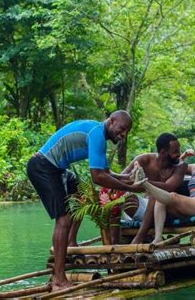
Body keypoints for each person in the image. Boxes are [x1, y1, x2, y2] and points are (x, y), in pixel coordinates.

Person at [26, 110, 143, 292]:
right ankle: (58, 279)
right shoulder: (96, 134)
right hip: (43, 166)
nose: (124, 134)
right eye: (122, 128)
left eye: (127, 131)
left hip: (58, 169)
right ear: (111, 121)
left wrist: (128, 179)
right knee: (63, 220)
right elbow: (98, 177)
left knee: (81, 197)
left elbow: (107, 172)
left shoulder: (99, 135)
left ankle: (71, 242)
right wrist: (131, 188)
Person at [134, 134, 195, 243]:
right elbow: (176, 165)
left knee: (173, 196)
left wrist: (194, 199)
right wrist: (184, 156)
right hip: (190, 206)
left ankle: (145, 183)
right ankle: (158, 238)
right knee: (160, 200)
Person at [109, 133, 187, 244]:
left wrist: (143, 181)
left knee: (156, 194)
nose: (179, 154)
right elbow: (122, 179)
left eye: (179, 150)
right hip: (146, 208)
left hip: (167, 210)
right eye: (175, 152)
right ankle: (113, 243)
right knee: (124, 199)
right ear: (163, 152)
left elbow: (169, 187)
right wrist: (113, 177)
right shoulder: (144, 160)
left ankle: (139, 238)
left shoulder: (181, 167)